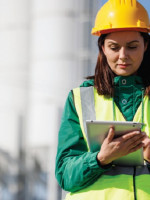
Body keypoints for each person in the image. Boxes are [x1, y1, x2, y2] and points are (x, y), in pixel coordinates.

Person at [55, 0, 150, 199]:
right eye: (114, 47)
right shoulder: (80, 99)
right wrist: (100, 159)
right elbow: (64, 175)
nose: (123, 56)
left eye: (132, 46)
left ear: (146, 45)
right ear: (102, 48)